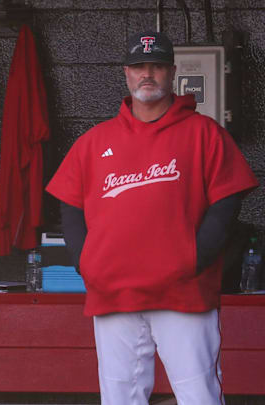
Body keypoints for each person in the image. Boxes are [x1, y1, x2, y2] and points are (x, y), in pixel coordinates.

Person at [46, 31, 258, 405]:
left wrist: (194, 258)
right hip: (114, 293)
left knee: (198, 396)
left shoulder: (205, 134)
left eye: (157, 66)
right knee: (120, 397)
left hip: (183, 293)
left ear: (172, 72)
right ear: (126, 73)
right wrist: (85, 262)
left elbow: (228, 202)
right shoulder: (95, 141)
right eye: (139, 66)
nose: (148, 74)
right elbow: (70, 205)